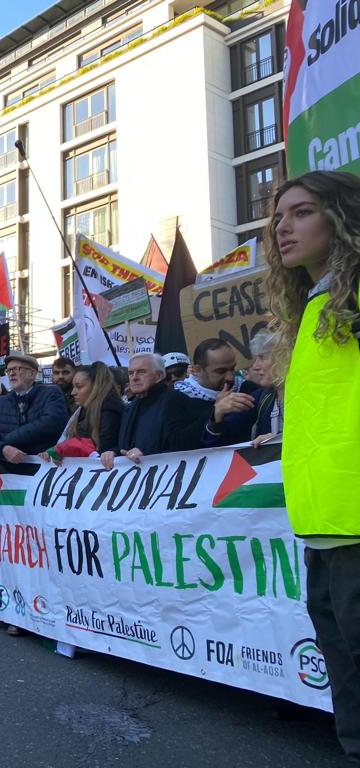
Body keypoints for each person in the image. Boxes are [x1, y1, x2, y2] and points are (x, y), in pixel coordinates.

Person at [265, 171, 360, 761]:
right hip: (322, 520)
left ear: (342, 218)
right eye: (277, 218)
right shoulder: (315, 307)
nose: (282, 228)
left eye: (300, 213)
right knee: (344, 664)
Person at [164, 338, 255, 451]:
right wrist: (215, 413)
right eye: (220, 371)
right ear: (197, 370)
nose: (230, 377)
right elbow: (178, 444)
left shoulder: (248, 388)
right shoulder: (177, 397)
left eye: (232, 369)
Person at [0, 353, 68, 462]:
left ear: (32, 373)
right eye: (8, 370)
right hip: (9, 473)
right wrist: (3, 449)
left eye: (16, 369)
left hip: (45, 469)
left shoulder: (51, 393)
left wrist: (8, 440)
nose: (11, 374)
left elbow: (50, 423)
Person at [100, 353, 171, 469]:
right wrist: (112, 452)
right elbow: (125, 447)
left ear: (158, 376)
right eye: (131, 373)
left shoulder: (173, 401)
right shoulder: (129, 408)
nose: (134, 377)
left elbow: (183, 447)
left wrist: (146, 454)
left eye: (141, 372)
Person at [40, 363, 123, 461]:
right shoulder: (80, 410)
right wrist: (56, 452)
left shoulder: (110, 410)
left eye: (79, 387)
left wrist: (63, 449)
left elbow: (101, 450)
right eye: (73, 387)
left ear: (96, 386)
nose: (73, 392)